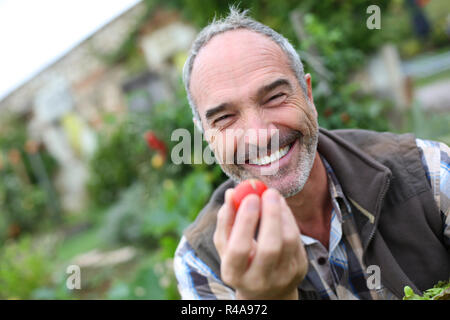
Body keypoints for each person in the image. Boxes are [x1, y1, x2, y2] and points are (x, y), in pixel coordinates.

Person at [173, 7, 450, 300]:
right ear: (205, 135)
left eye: (275, 97)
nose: (259, 134)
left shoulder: (429, 174)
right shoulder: (201, 262)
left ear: (308, 96)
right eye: (225, 118)